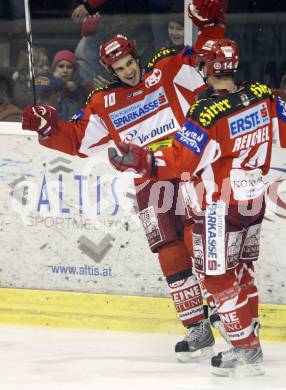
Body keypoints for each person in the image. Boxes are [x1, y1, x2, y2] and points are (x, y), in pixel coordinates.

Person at [106, 37, 286, 376]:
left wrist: (141, 160)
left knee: (215, 277)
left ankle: (245, 349)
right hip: (253, 201)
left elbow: (180, 162)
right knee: (243, 270)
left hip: (218, 207)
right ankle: (250, 336)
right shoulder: (264, 95)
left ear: (207, 68)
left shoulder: (205, 111)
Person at [22, 0, 228, 362]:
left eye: (130, 63)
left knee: (201, 242)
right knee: (169, 251)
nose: (129, 71)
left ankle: (227, 315)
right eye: (120, 67)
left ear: (137, 56)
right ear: (109, 68)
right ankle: (197, 326)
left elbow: (207, 59)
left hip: (186, 169)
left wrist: (211, 25)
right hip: (149, 183)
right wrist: (47, 126)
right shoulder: (103, 102)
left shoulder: (166, 69)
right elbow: (75, 139)